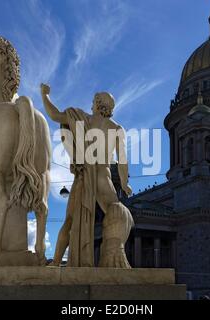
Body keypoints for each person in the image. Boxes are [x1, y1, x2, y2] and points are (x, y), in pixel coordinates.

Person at [41, 83, 134, 268]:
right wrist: (124, 184)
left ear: (98, 104)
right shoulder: (116, 128)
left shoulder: (81, 119)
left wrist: (45, 96)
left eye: (93, 101)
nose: (91, 104)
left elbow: (54, 114)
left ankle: (57, 260)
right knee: (117, 212)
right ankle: (115, 252)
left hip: (84, 177)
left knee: (70, 220)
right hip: (103, 177)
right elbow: (122, 161)